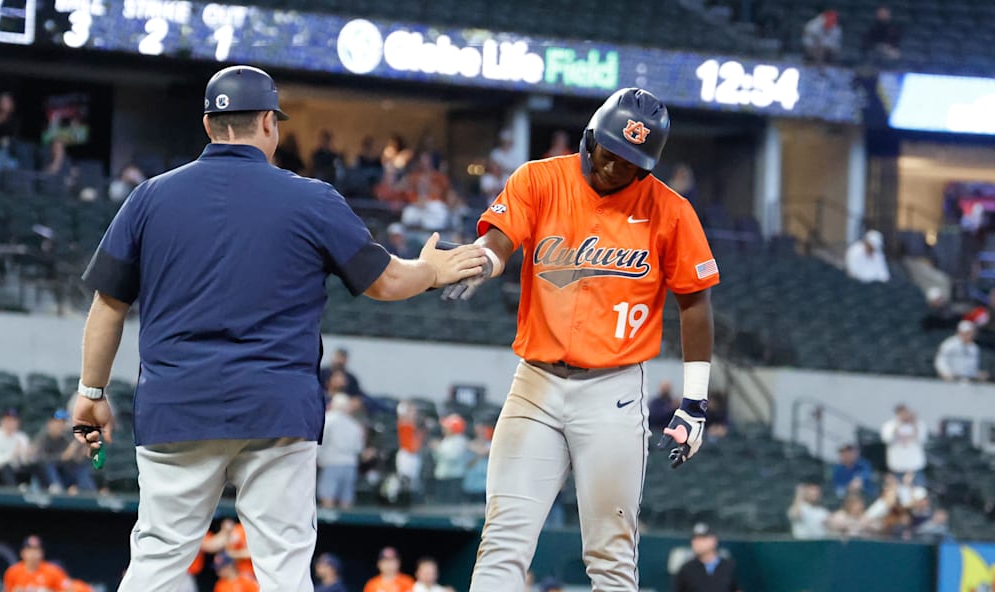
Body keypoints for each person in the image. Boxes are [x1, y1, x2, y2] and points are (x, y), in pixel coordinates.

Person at [72, 65, 486, 591]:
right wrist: (434, 271)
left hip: (178, 403)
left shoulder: (150, 197)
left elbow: (107, 306)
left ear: (207, 124)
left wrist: (91, 393)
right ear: (270, 122)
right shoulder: (311, 198)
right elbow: (384, 282)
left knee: (156, 560)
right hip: (276, 408)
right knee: (284, 570)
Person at [443, 88, 719, 591]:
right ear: (590, 138)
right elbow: (499, 238)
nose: (616, 167)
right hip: (537, 385)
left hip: (613, 392)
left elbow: (695, 301)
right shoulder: (540, 178)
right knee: (504, 539)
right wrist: (481, 260)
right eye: (610, 152)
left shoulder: (671, 211)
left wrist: (695, 402)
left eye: (631, 161)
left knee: (611, 556)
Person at [317, 393, 365, 509]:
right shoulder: (354, 425)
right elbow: (358, 448)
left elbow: (320, 441)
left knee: (327, 494)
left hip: (331, 463)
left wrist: (318, 457)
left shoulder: (327, 419)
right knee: (346, 497)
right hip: (350, 464)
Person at [31, 410, 96, 494]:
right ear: (50, 423)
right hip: (45, 478)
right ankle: (57, 489)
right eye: (58, 423)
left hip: (62, 476)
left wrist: (78, 456)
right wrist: (62, 456)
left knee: (83, 466)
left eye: (62, 423)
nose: (60, 426)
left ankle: (89, 492)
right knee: (49, 465)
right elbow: (39, 459)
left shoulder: (64, 439)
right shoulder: (42, 438)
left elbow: (69, 461)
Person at [673, 523, 740, 592]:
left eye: (702, 538)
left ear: (713, 540)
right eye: (694, 538)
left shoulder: (729, 567)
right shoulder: (686, 569)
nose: (697, 542)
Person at [2, 536, 68, 592]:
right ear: (22, 553)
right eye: (29, 550)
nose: (33, 553)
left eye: (36, 550)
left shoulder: (53, 571)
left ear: (42, 553)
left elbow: (69, 589)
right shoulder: (12, 572)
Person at [880, 405, 928, 482]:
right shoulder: (889, 425)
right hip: (898, 467)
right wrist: (898, 425)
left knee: (919, 492)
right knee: (898, 492)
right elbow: (887, 439)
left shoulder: (919, 424)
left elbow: (922, 438)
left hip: (915, 466)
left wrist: (914, 423)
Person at [0, 409, 30, 487]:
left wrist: (26, 454)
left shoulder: (22, 437)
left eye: (14, 420)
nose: (11, 423)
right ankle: (14, 493)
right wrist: (12, 455)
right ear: (2, 421)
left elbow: (26, 461)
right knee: (6, 468)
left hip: (16, 470)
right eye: (8, 420)